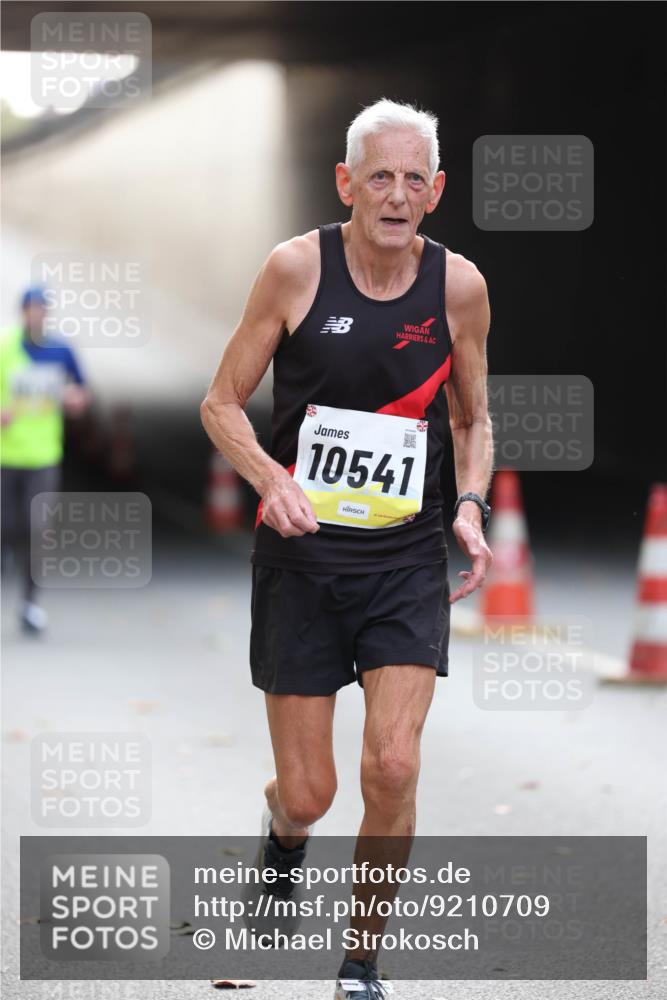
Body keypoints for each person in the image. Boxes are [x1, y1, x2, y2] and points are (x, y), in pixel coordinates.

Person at [201, 99, 493, 998]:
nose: (396, 195)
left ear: (435, 191)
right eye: (380, 177)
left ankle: (361, 959)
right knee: (309, 793)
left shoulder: (458, 288)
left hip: (404, 559)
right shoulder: (294, 271)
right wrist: (270, 478)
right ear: (346, 183)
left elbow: (473, 417)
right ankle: (282, 837)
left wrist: (471, 505)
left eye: (414, 179)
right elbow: (219, 404)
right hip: (301, 559)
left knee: (394, 764)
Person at [1, 286, 90, 633]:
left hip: (43, 456)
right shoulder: (5, 347)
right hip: (5, 456)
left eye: (43, 309)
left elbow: (83, 391)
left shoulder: (60, 350)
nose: (37, 314)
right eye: (31, 308)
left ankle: (29, 604)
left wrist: (74, 399)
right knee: (7, 526)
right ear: (22, 312)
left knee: (38, 531)